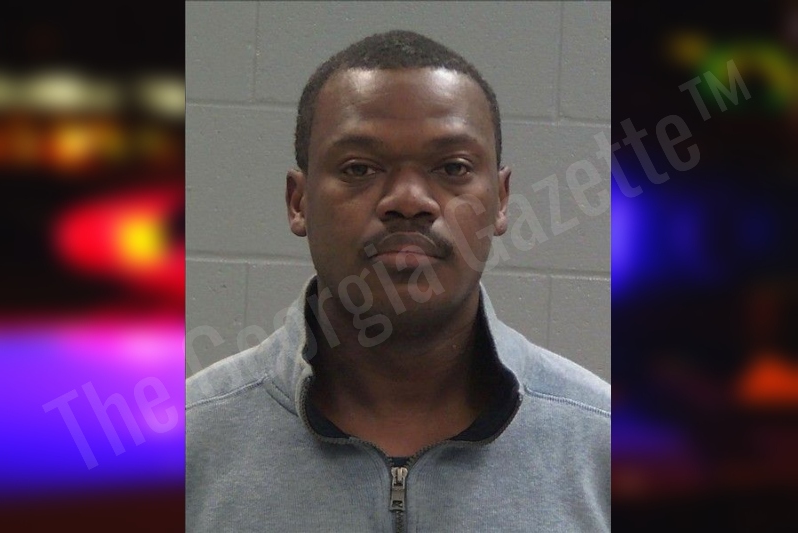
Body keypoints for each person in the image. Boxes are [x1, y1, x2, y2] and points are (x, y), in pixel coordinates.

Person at [187, 30, 610, 532]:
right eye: (359, 168)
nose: (408, 200)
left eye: (453, 167)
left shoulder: (604, 447)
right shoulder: (186, 446)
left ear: (500, 200)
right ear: (298, 202)